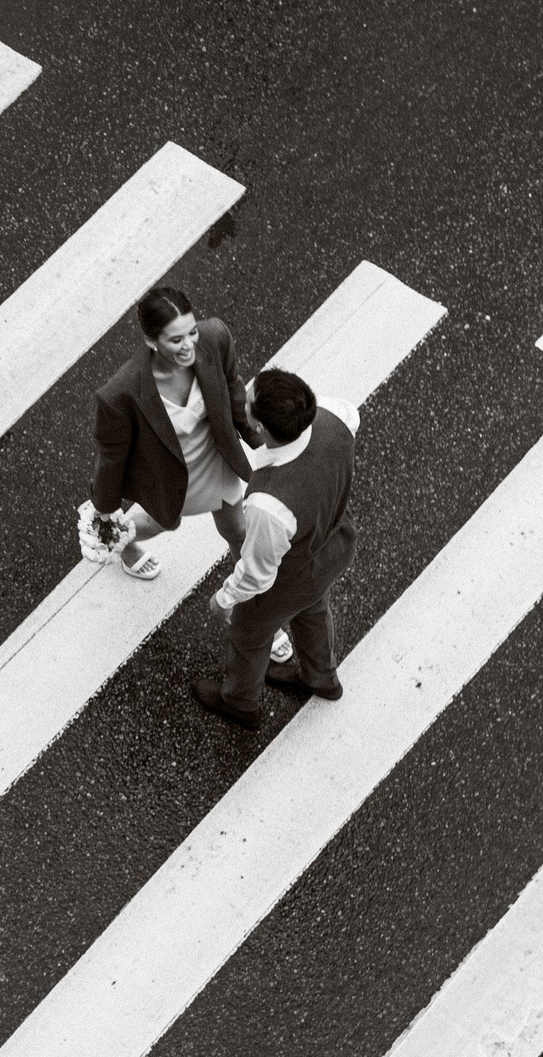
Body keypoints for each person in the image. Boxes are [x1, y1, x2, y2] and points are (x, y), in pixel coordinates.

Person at [189, 368, 359, 729]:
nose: (244, 393)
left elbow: (256, 573)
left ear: (261, 429)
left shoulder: (269, 505)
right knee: (313, 610)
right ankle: (320, 676)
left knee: (248, 636)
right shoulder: (336, 416)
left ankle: (239, 702)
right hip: (334, 544)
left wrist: (224, 599)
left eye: (248, 399)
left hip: (293, 575)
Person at [85, 286, 260, 581]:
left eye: (192, 332)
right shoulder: (120, 394)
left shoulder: (215, 337)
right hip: (168, 476)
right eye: (176, 339)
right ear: (151, 341)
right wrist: (105, 508)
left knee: (240, 533)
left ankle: (255, 608)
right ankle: (118, 539)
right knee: (159, 524)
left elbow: (233, 393)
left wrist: (266, 441)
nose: (190, 345)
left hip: (216, 462)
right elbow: (111, 459)